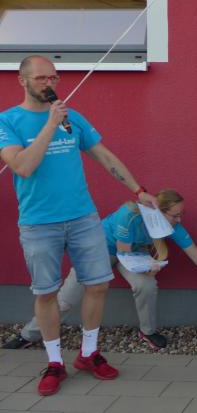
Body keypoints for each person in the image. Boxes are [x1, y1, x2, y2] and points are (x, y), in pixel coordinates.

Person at [0, 55, 159, 396]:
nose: (50, 84)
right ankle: (55, 362)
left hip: (83, 217)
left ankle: (89, 353)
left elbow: (104, 155)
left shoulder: (73, 118)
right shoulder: (8, 121)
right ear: (23, 81)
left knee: (98, 284)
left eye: (54, 78)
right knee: (46, 293)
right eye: (41, 78)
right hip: (39, 223)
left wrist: (138, 190)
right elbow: (23, 166)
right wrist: (49, 125)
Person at [8, 189, 197, 351]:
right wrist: (148, 266)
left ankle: (147, 331)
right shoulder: (129, 215)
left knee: (146, 285)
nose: (179, 220)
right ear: (159, 211)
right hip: (100, 250)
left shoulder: (171, 226)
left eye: (181, 214)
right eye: (175, 215)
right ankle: (29, 335)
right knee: (68, 298)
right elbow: (123, 253)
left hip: (131, 255)